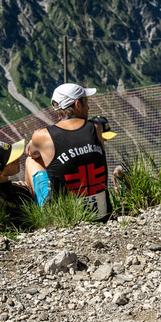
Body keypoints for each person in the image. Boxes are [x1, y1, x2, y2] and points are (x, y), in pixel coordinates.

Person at [25, 83, 112, 222]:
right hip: (102, 215)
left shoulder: (42, 136)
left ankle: (38, 220)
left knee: (31, 161)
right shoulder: (96, 128)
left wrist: (35, 142)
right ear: (77, 104)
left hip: (65, 218)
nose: (88, 107)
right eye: (86, 102)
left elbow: (30, 152)